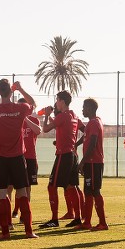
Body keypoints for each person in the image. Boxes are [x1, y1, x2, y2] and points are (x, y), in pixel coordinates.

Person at [0, 79, 38, 239]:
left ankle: (5, 231)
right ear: (11, 92)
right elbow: (33, 103)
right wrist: (21, 88)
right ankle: (28, 231)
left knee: (1, 194)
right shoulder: (20, 108)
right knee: (22, 193)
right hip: (18, 157)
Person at [39, 90, 83, 229]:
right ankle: (77, 217)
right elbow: (80, 129)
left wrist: (46, 116)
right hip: (72, 154)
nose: (56, 103)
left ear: (62, 101)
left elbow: (45, 129)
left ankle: (54, 219)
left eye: (57, 100)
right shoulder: (73, 115)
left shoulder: (63, 115)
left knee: (51, 186)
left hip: (63, 155)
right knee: (71, 186)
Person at [76, 98, 108, 231]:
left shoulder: (94, 123)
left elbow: (93, 144)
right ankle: (87, 222)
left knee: (95, 191)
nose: (82, 109)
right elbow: (85, 139)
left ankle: (103, 223)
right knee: (88, 191)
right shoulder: (93, 122)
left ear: (89, 108)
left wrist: (82, 162)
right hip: (91, 162)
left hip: (94, 162)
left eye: (84, 107)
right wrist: (75, 145)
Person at [11, 98, 41, 222]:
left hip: (30, 158)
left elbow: (38, 131)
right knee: (13, 185)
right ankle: (13, 211)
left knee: (27, 187)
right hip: (16, 156)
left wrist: (25, 119)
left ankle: (25, 214)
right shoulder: (12, 120)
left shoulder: (33, 120)